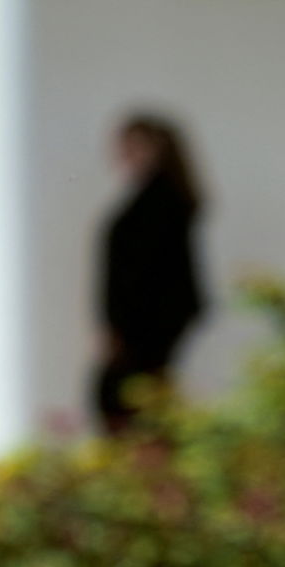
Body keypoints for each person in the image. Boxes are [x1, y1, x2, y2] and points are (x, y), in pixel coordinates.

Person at [95, 114, 205, 433]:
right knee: (136, 404)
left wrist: (122, 327)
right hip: (141, 326)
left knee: (133, 405)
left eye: (136, 145)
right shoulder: (154, 199)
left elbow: (149, 276)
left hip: (146, 326)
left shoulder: (162, 203)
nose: (127, 154)